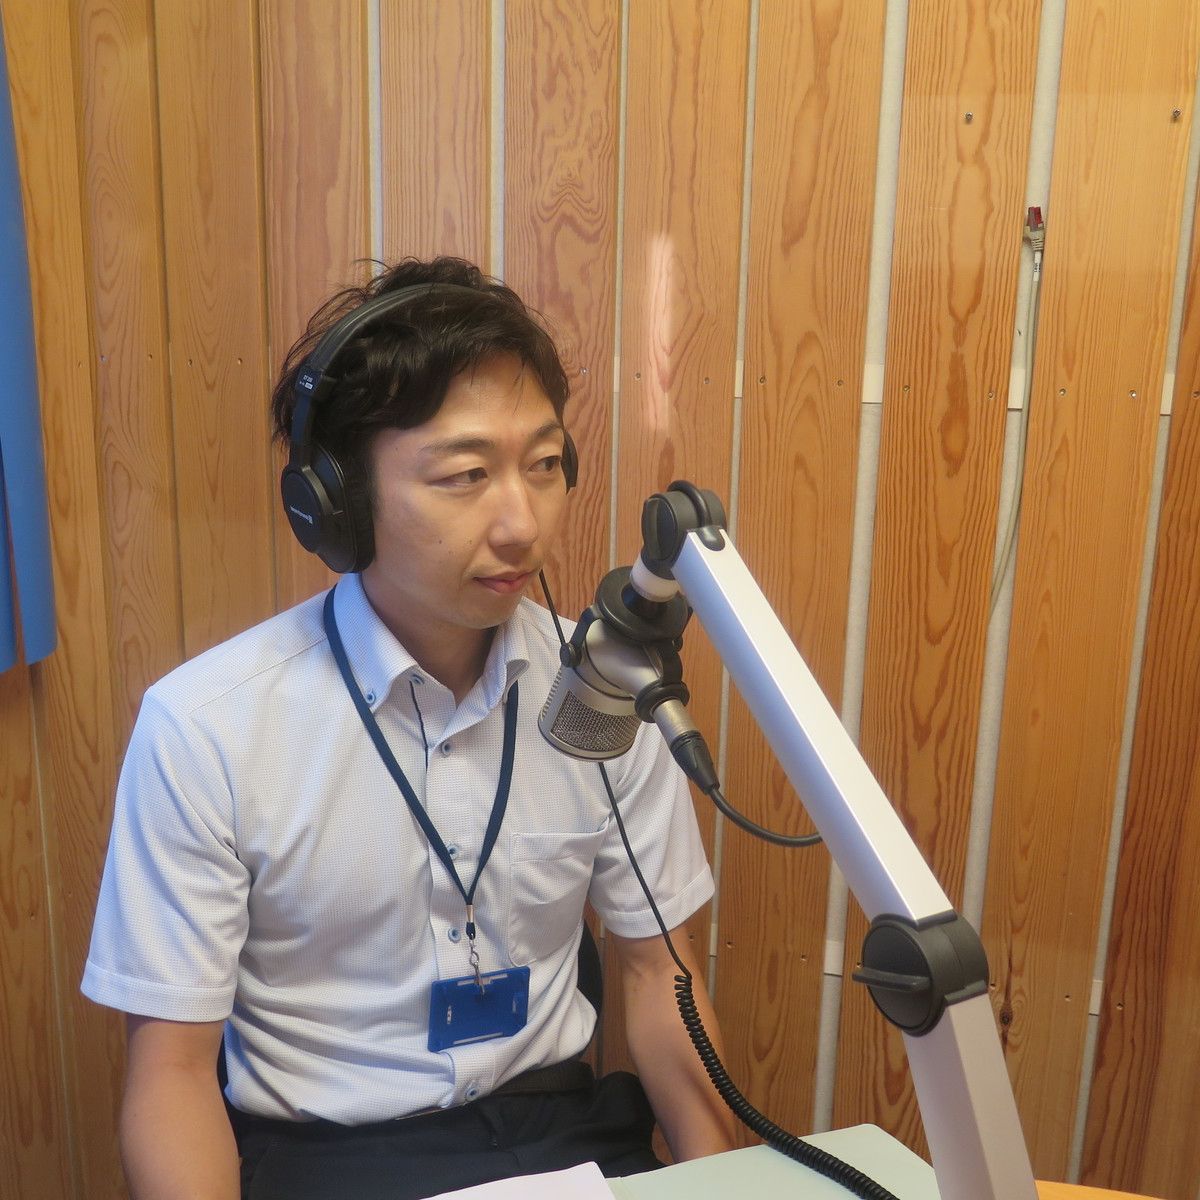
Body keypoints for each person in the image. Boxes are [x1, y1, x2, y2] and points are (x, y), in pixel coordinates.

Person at [82, 256, 736, 1199]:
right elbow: (172, 1075)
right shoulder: (208, 727)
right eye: (465, 475)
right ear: (338, 504)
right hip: (328, 1161)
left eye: (545, 465)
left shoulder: (605, 687)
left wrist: (718, 1182)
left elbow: (656, 978)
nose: (521, 524)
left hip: (559, 1135)